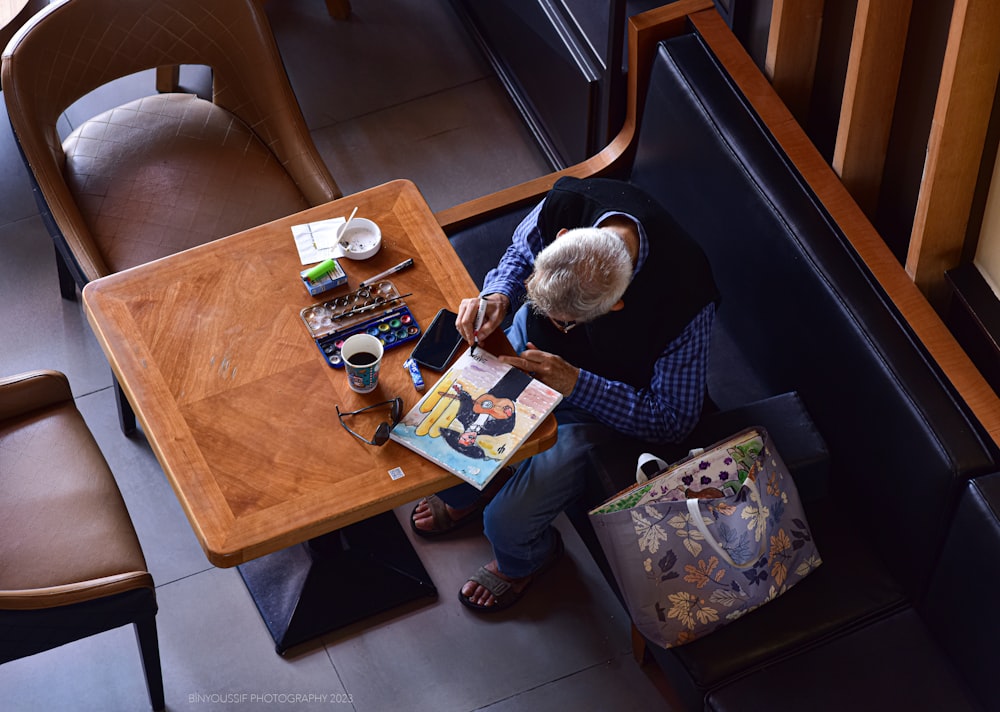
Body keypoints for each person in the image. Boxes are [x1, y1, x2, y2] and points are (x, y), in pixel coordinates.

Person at [411, 176, 719, 612]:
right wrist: (500, 294)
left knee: (505, 522)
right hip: (537, 355)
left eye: (566, 323)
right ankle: (468, 492)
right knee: (456, 442)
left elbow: (673, 420)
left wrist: (576, 383)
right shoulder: (574, 202)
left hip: (606, 407)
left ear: (616, 306)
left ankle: (526, 561)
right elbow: (521, 252)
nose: (557, 328)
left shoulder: (686, 297)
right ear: (563, 238)